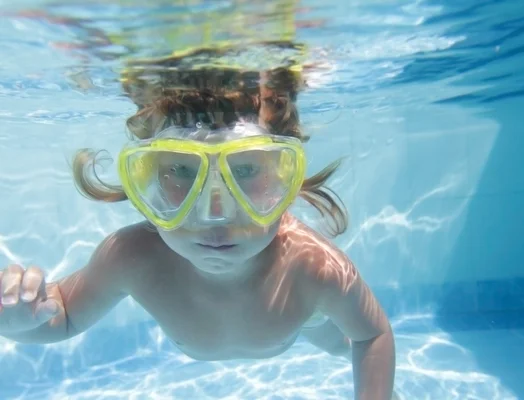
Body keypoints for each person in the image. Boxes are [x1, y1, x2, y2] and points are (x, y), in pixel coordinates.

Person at [0, 50, 397, 399]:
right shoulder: (131, 258)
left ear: (284, 182)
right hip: (288, 321)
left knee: (340, 342)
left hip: (303, 318)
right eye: (180, 171)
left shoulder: (314, 269)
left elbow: (372, 334)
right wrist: (17, 324)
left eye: (244, 170)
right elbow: (64, 315)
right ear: (147, 180)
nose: (214, 213)